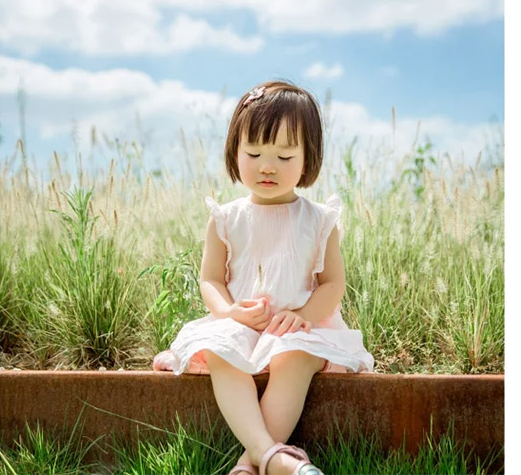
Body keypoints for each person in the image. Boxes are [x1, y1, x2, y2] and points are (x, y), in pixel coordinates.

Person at [153, 80, 374, 475]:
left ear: (309, 159)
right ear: (234, 152)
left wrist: (304, 314)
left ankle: (249, 463)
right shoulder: (226, 219)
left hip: (293, 328)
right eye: (253, 152)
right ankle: (270, 456)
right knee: (222, 353)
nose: (267, 166)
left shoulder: (319, 220)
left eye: (285, 155)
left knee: (296, 356)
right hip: (240, 324)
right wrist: (229, 312)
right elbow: (210, 280)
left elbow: (332, 284)